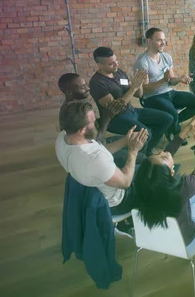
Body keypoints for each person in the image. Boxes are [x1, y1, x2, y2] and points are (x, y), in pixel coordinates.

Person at [56, 100, 149, 236]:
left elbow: (100, 149)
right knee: (152, 171)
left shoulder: (63, 137)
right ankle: (131, 222)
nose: (97, 125)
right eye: (93, 123)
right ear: (82, 130)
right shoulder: (94, 158)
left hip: (93, 181)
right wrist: (133, 151)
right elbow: (125, 182)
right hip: (118, 201)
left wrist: (125, 140)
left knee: (143, 160)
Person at [134, 112, 195, 254]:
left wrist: (185, 130)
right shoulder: (183, 187)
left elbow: (164, 159)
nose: (164, 152)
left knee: (193, 197)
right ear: (170, 173)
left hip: (156, 238)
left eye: (158, 154)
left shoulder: (143, 183)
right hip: (186, 240)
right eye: (163, 157)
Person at [89, 47, 172, 154]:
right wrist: (133, 87)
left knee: (167, 118)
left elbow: (139, 94)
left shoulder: (119, 72)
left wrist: (139, 83)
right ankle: (140, 155)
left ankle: (147, 150)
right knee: (146, 134)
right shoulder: (97, 83)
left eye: (116, 61)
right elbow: (116, 108)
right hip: (115, 119)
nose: (116, 65)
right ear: (100, 65)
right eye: (111, 64)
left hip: (131, 111)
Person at [135, 27, 195, 143]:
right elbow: (145, 90)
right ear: (149, 41)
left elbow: (171, 80)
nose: (163, 43)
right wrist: (163, 80)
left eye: (164, 40)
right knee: (173, 113)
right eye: (159, 40)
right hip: (152, 97)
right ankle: (176, 132)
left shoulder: (166, 57)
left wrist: (179, 79)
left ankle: (172, 125)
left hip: (169, 92)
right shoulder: (143, 61)